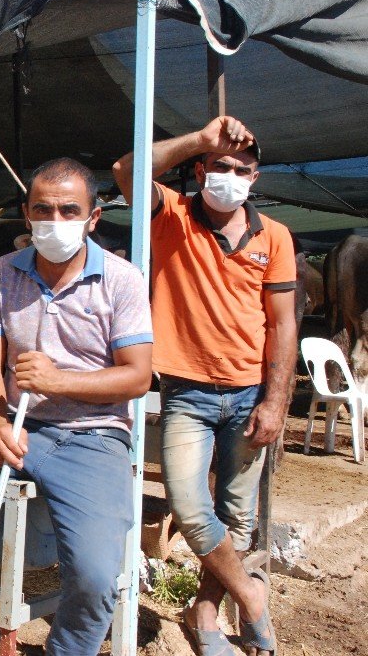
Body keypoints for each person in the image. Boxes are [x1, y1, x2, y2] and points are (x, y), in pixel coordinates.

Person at [0, 158, 153, 656]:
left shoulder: (122, 280)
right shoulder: (1, 274)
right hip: (14, 424)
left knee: (97, 573)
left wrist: (60, 380)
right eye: (43, 209)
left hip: (93, 435)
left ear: (93, 218)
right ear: (25, 213)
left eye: (69, 210)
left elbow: (138, 376)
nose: (55, 221)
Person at [113, 116, 296, 656]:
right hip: (186, 391)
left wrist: (277, 400)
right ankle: (250, 595)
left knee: (239, 515)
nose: (230, 176)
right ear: (200, 170)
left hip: (249, 393)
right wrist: (201, 137)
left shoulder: (276, 237)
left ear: (255, 178)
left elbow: (284, 323)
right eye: (220, 166)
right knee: (191, 508)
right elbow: (125, 170)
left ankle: (208, 612)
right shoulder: (170, 214)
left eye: (242, 169)